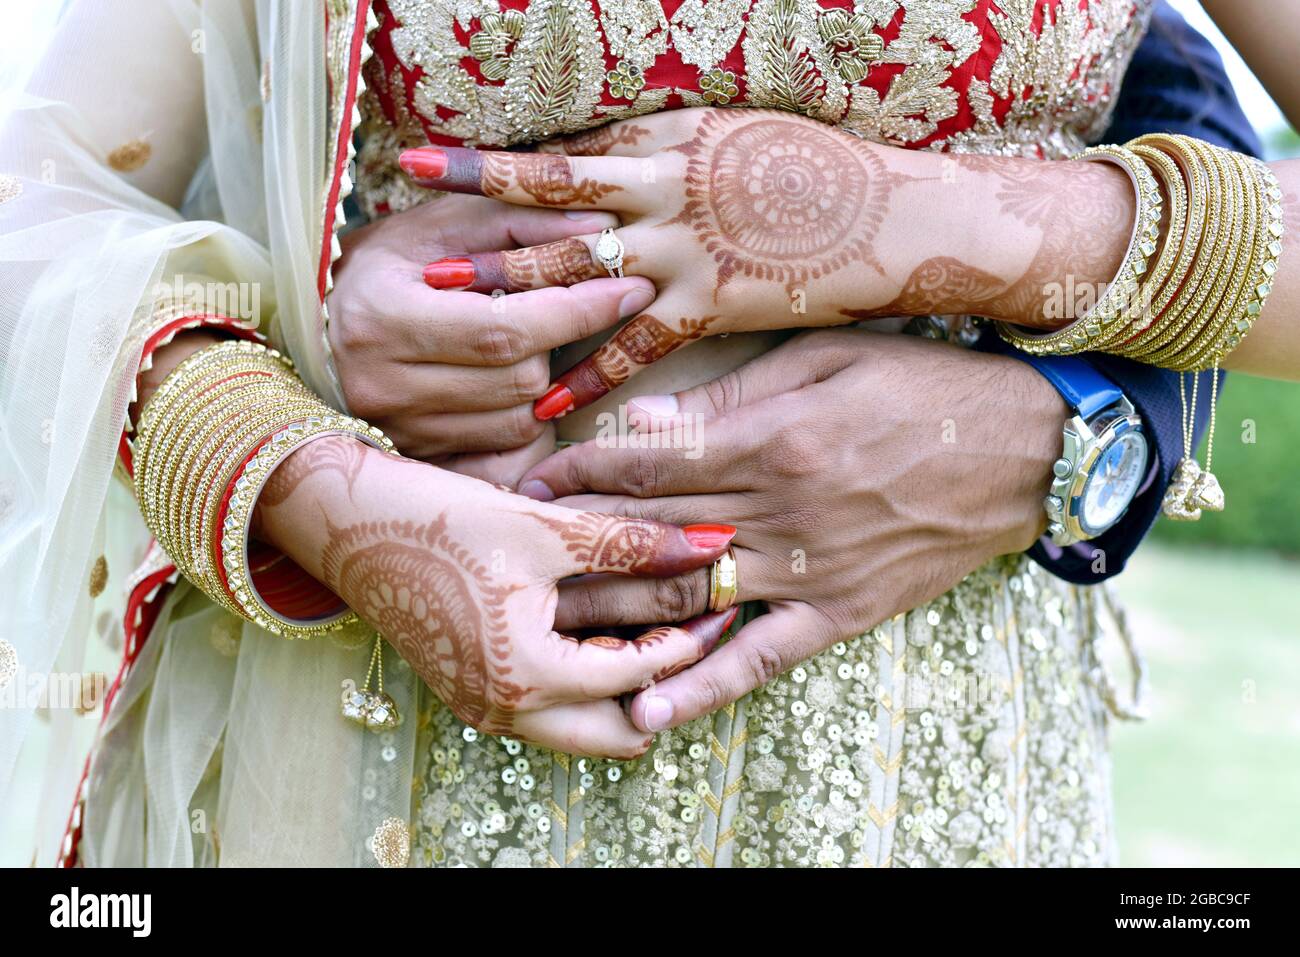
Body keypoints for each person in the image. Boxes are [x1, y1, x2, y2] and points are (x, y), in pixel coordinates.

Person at [0, 0, 1288, 868]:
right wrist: (296, 470)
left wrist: (940, 222)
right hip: (378, 732)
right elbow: (37, 196)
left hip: (931, 767)